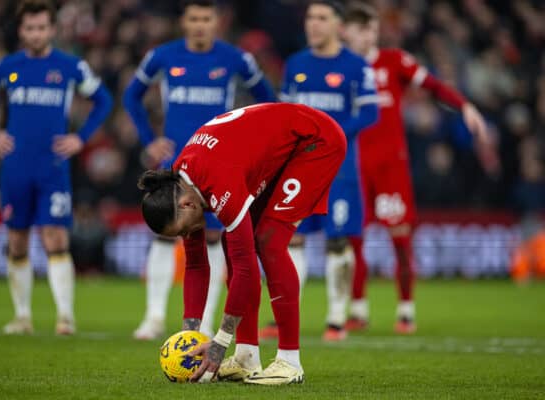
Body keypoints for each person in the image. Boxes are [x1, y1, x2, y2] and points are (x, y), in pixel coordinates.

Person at [138, 103, 346, 384]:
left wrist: (220, 342)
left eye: (185, 230)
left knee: (269, 241)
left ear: (187, 205)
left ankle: (290, 362)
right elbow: (197, 264)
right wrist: (190, 335)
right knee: (230, 242)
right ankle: (247, 356)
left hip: (315, 140)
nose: (188, 235)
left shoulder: (216, 180)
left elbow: (247, 269)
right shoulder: (182, 184)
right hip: (280, 148)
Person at [123, 0, 275, 340]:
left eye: (206, 18)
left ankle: (205, 323)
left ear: (216, 21)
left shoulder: (236, 58)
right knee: (166, 235)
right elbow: (131, 97)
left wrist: (247, 142)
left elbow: (267, 100)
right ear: (184, 21)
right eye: (194, 18)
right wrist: (150, 140)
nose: (200, 25)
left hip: (218, 164)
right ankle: (154, 317)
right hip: (175, 163)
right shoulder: (162, 56)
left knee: (211, 238)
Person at [340, 2, 493, 333]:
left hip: (390, 166)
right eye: (358, 30)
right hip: (354, 166)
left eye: (369, 30)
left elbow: (434, 86)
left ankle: (406, 309)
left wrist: (464, 106)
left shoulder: (395, 61)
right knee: (353, 239)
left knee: (400, 238)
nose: (365, 35)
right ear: (347, 32)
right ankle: (358, 309)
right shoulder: (342, 69)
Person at [0, 0, 112, 335]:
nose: (36, 33)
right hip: (16, 165)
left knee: (56, 237)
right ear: (22, 31)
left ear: (52, 29)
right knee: (17, 240)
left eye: (42, 27)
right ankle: (22, 317)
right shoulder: (8, 66)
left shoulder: (70, 66)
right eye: (30, 28)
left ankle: (65, 317)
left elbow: (103, 99)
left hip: (53, 166)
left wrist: (81, 138)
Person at [260, 0, 378, 342]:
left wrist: (330, 134)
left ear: (338, 25)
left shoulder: (357, 66)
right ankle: (284, 316)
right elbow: (284, 114)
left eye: (322, 18)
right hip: (298, 169)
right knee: (291, 238)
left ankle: (336, 319)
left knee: (337, 240)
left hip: (339, 169)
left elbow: (371, 115)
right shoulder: (295, 64)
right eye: (310, 17)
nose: (314, 24)